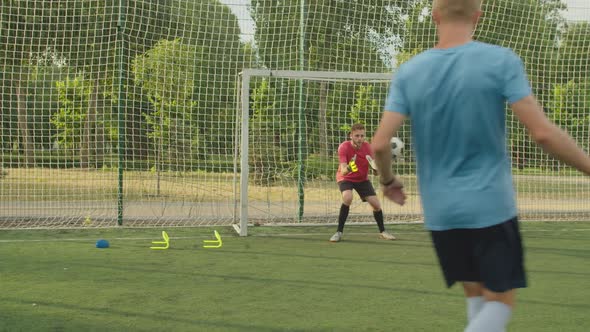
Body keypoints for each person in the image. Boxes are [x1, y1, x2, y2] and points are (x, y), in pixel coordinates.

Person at [370, 0, 590, 331]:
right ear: (477, 16)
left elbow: (380, 144)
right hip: (490, 208)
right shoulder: (500, 60)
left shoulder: (409, 71)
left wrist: (388, 182)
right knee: (501, 302)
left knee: (476, 296)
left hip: (442, 214)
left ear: (435, 16)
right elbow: (543, 133)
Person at [329, 123, 396, 242]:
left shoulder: (368, 148)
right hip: (346, 178)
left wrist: (376, 170)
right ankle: (338, 232)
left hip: (362, 179)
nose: (360, 138)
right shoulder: (343, 147)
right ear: (351, 135)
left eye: (362, 136)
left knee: (376, 205)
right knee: (347, 197)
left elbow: (375, 171)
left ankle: (383, 231)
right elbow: (344, 171)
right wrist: (350, 167)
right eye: (357, 136)